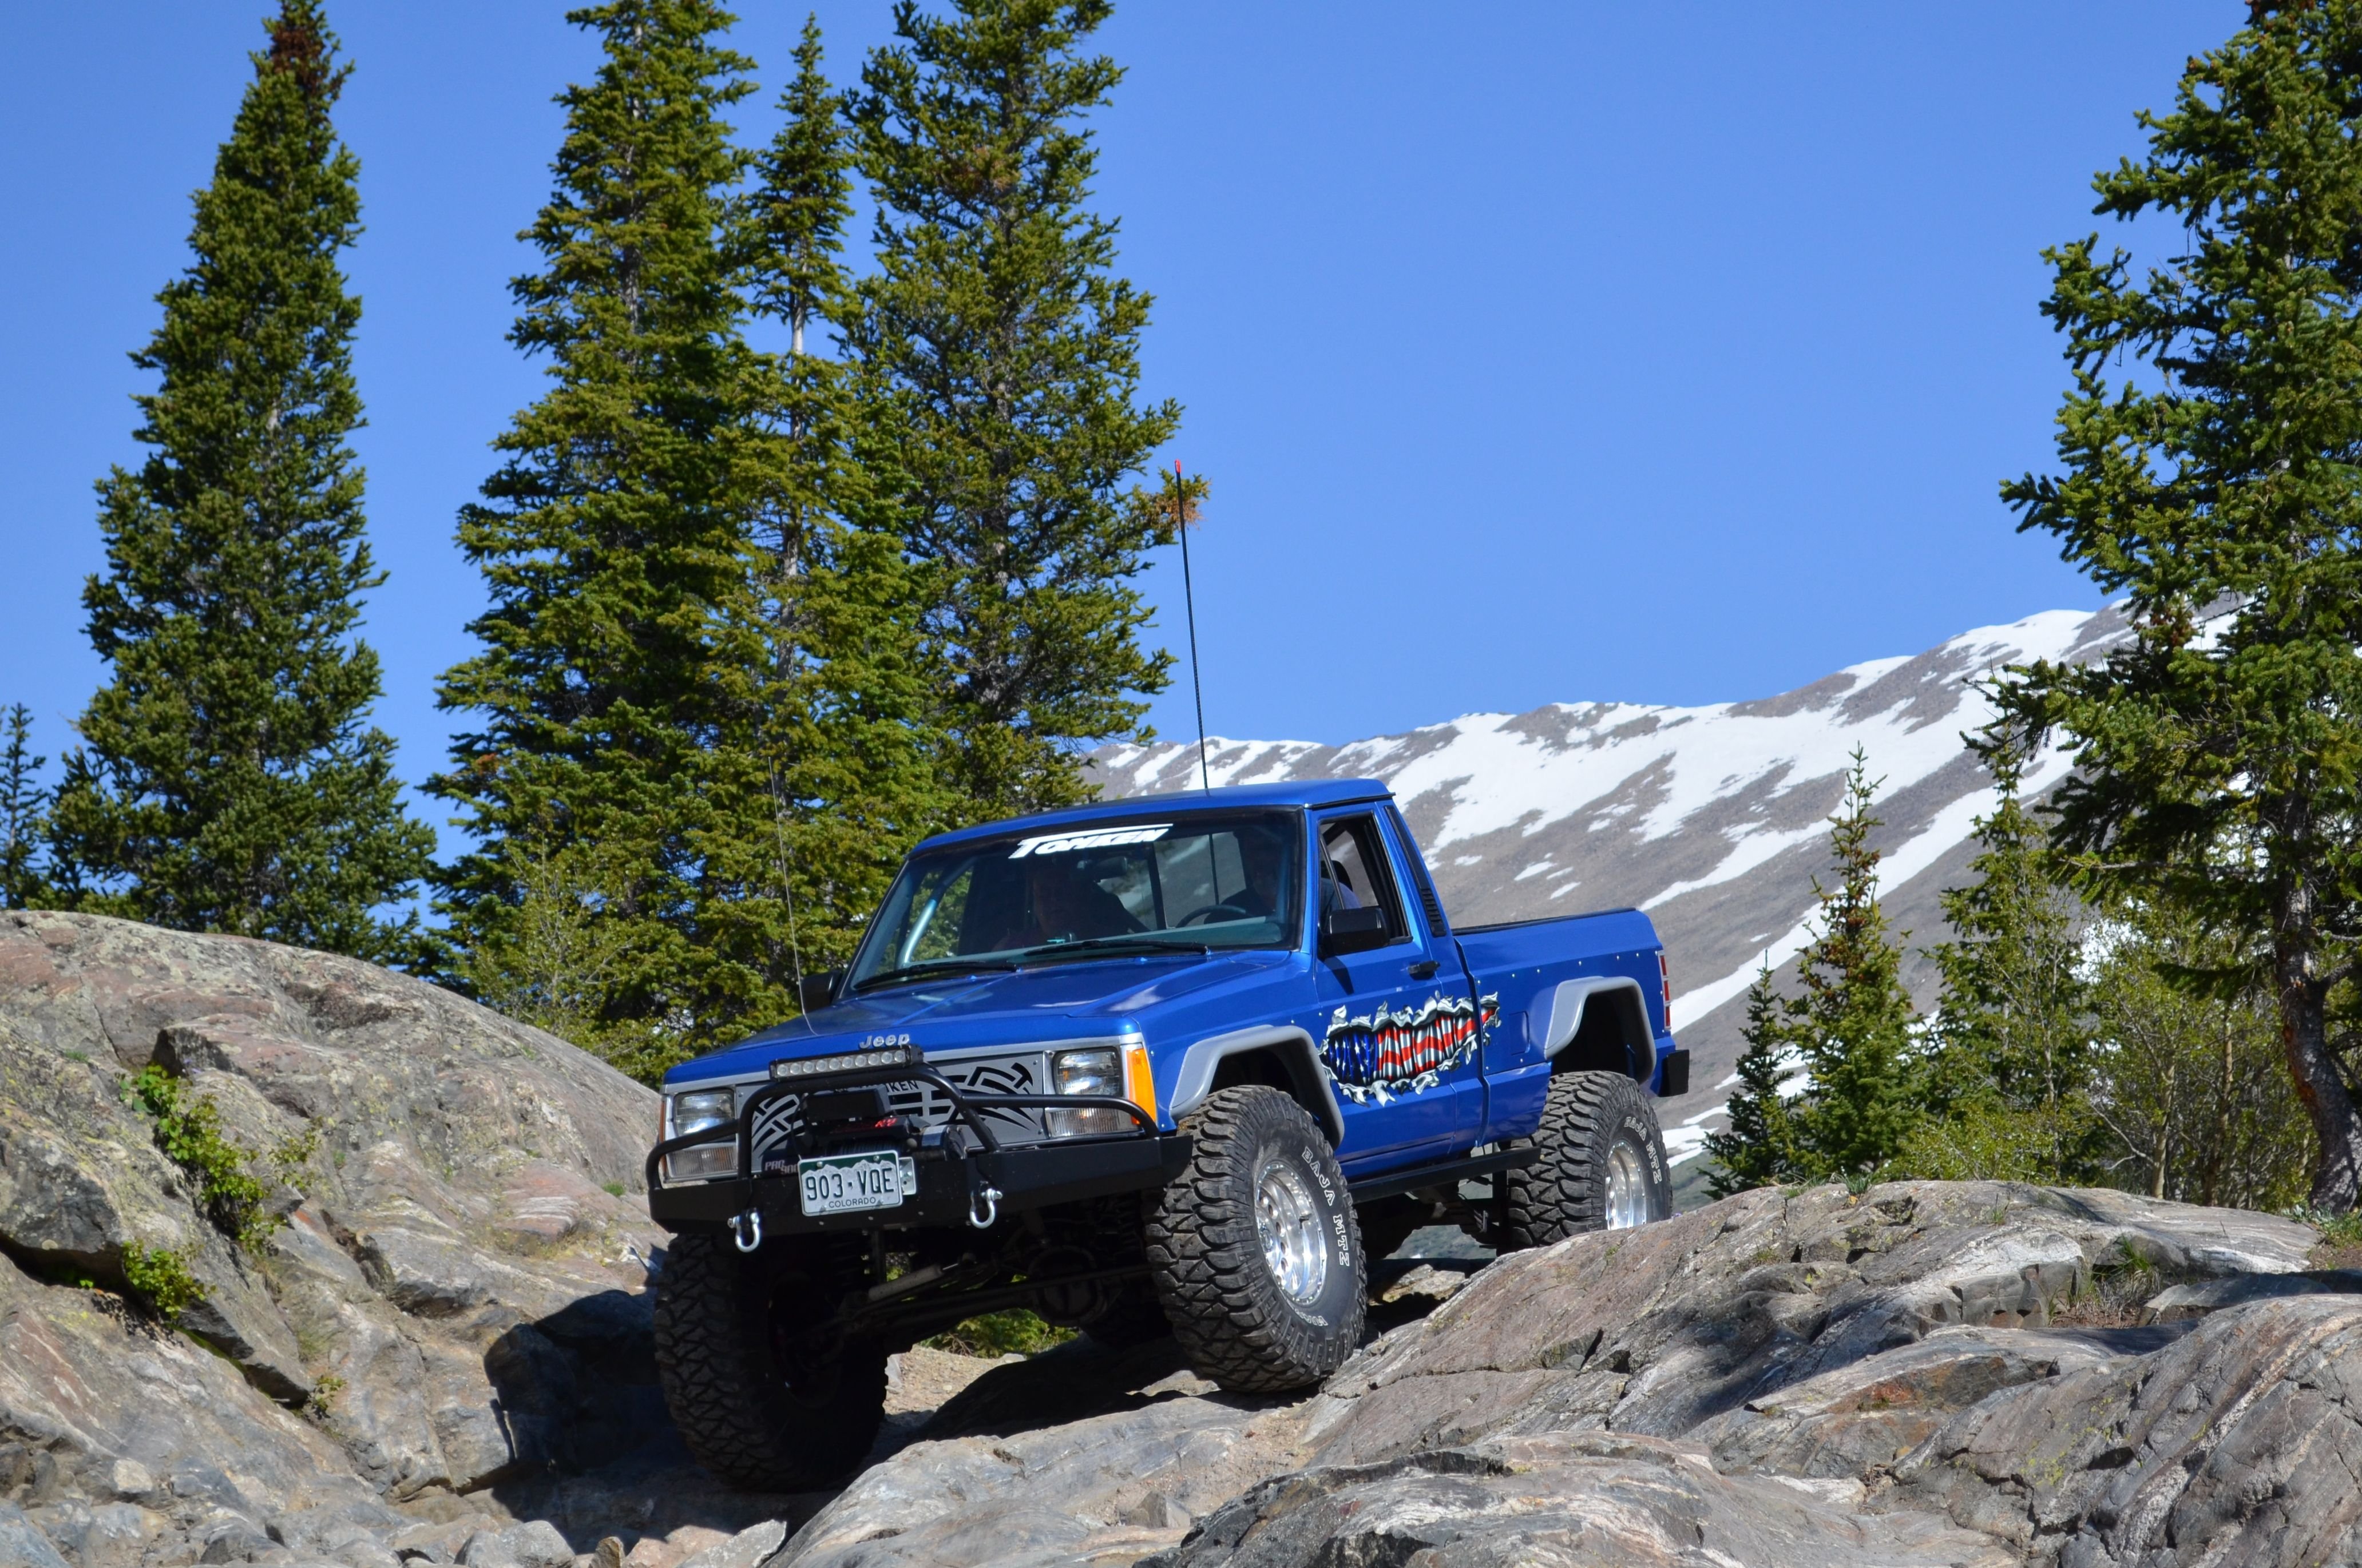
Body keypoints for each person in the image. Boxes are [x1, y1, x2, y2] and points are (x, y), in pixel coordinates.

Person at [993, 856, 1141, 949]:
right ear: (1034, 905)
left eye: (1061, 892)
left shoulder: (1117, 944)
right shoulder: (1009, 950)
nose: (1053, 901)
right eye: (1043, 894)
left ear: (1082, 897)